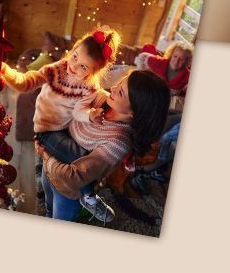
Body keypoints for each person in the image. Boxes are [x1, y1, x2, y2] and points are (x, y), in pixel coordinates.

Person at [0, 28, 120, 221]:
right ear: (73, 49)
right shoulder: (57, 69)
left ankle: (58, 196)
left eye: (83, 67)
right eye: (74, 57)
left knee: (80, 161)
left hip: (64, 129)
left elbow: (78, 111)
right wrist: (6, 70)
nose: (74, 66)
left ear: (94, 72)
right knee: (78, 156)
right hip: (46, 130)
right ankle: (88, 196)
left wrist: (90, 114)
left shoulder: (90, 87)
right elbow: (26, 82)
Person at [35, 70, 170, 223]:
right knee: (48, 207)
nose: (112, 88)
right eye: (119, 83)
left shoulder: (117, 143)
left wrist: (46, 155)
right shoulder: (101, 99)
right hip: (49, 170)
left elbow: (74, 178)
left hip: (68, 191)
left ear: (134, 111)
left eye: (120, 92)